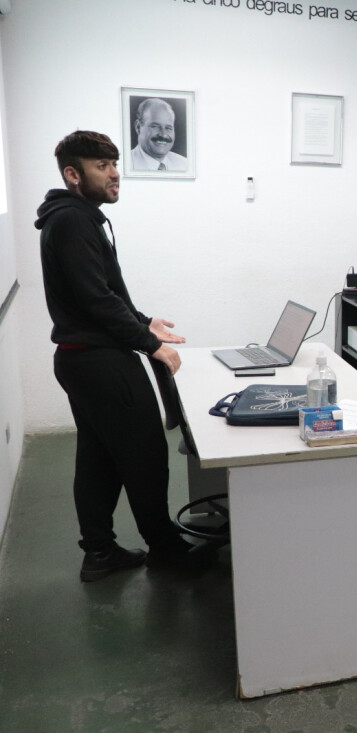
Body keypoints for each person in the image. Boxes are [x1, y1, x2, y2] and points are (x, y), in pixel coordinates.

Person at [35, 130, 215, 581]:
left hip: (81, 358)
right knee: (145, 455)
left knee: (98, 457)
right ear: (73, 175)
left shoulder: (75, 217)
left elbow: (102, 294)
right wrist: (148, 343)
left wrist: (143, 321)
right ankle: (167, 552)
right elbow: (96, 300)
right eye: (102, 166)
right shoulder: (74, 221)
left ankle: (99, 552)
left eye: (115, 164)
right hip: (101, 362)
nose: (115, 174)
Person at [130, 98, 188, 172]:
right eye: (155, 126)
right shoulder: (125, 164)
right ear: (138, 127)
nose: (163, 135)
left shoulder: (185, 165)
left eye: (168, 128)